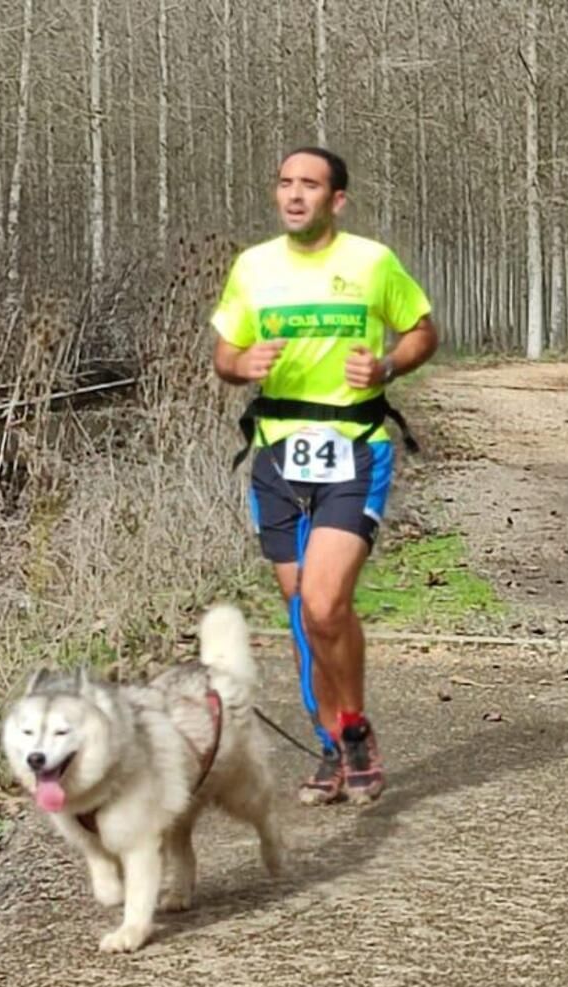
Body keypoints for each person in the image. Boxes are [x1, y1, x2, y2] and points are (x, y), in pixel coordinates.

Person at [209, 146, 439, 806]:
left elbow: (423, 332)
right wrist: (240, 363)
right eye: (284, 183)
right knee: (304, 616)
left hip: (354, 449)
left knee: (324, 602)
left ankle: (355, 728)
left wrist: (389, 367)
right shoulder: (253, 269)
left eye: (309, 185)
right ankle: (331, 744)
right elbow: (226, 351)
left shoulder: (371, 263)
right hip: (278, 457)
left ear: (336, 199)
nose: (293, 195)